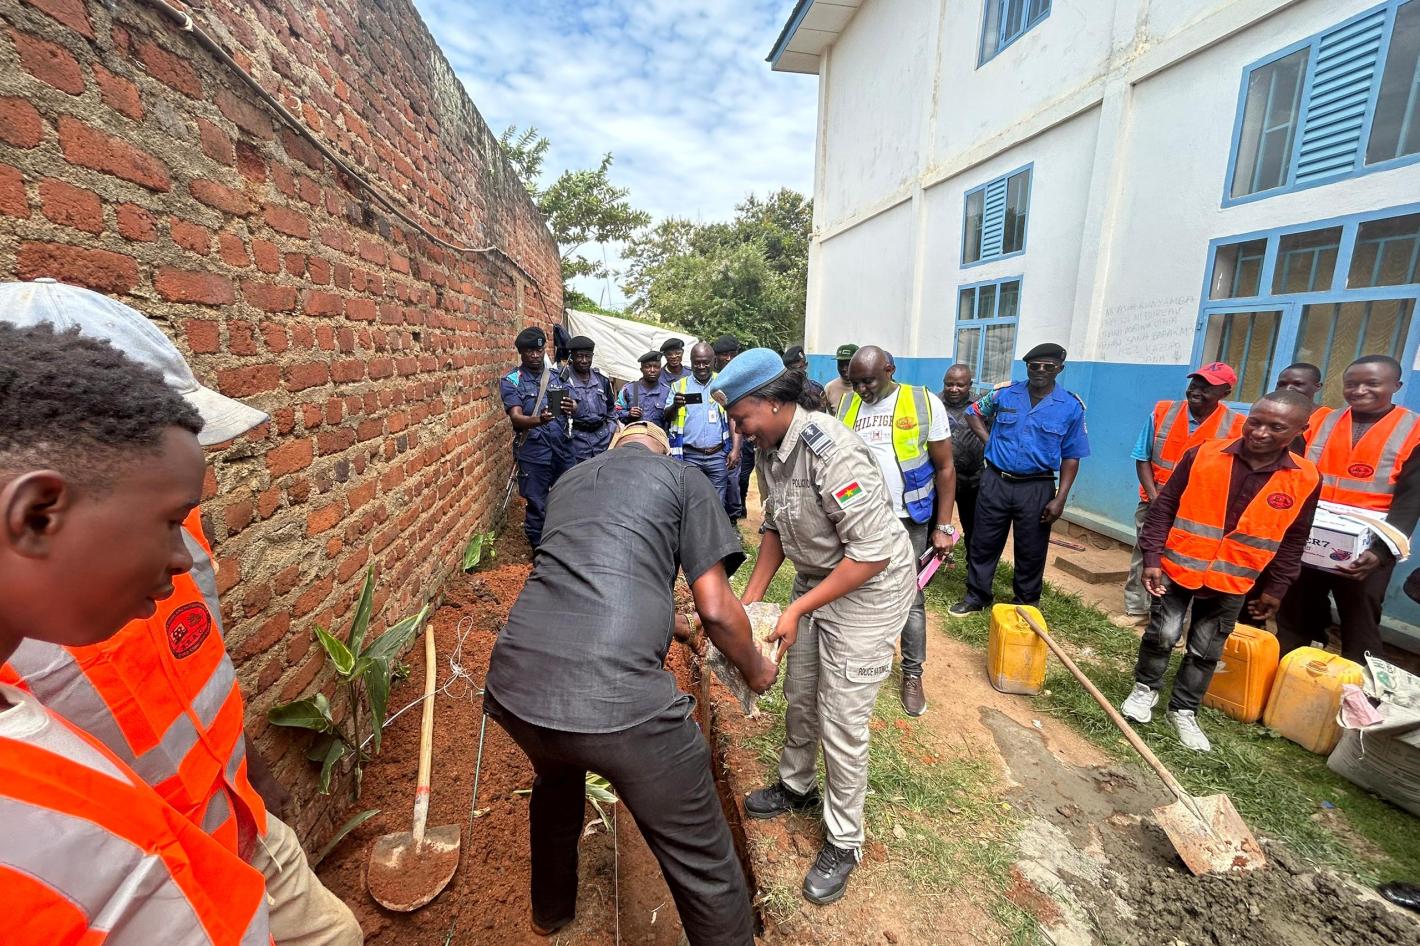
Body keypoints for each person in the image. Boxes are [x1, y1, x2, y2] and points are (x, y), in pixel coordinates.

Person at [0, 280, 362, 944]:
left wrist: (244, 771)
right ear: (39, 514)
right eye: (168, 519)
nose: (179, 555)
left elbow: (200, 661)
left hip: (238, 833)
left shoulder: (144, 532)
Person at [484, 422, 776, 945]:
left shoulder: (571, 479)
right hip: (618, 707)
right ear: (663, 451)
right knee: (704, 865)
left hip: (516, 687)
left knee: (557, 779)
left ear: (612, 446)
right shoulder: (684, 479)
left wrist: (674, 628)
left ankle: (549, 913)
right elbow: (716, 608)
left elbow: (592, 578)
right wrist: (756, 669)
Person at [714, 350, 916, 906]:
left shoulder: (833, 452)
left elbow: (872, 554)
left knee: (842, 714)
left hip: (869, 589)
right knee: (801, 689)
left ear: (775, 403)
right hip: (819, 576)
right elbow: (776, 526)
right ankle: (797, 785)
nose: (738, 429)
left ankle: (845, 840)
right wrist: (750, 603)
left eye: (742, 417)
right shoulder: (768, 450)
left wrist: (798, 610)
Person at [1120, 390, 1320, 752]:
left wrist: (1277, 587)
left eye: (1276, 427)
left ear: (1300, 431)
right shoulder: (1204, 454)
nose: (1259, 432)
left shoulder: (1305, 478)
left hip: (1234, 578)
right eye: (1255, 421)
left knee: (1205, 648)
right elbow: (1164, 508)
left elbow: (1295, 537)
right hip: (1179, 567)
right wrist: (1152, 558)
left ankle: (1184, 709)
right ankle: (1145, 688)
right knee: (1162, 634)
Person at [837, 346, 959, 716]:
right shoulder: (847, 406)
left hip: (909, 519)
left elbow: (946, 468)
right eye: (855, 382)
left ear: (890, 369)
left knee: (909, 597)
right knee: (854, 589)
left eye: (868, 381)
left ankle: (911, 673)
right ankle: (861, 662)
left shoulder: (923, 403)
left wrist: (943, 526)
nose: (861, 390)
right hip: (859, 518)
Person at [1276, 355, 1420, 663]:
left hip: (1370, 544)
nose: (1359, 390)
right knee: (1296, 605)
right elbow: (1292, 472)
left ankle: (1362, 686)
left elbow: (1411, 499)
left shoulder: (1413, 430)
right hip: (1312, 534)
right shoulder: (1319, 421)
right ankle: (1289, 667)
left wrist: (1382, 553)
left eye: (1372, 383)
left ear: (1396, 385)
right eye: (1351, 384)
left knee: (1360, 615)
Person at [950, 343, 1089, 616]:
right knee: (983, 541)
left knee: (1032, 546)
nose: (1040, 371)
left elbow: (1072, 455)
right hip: (996, 480)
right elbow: (974, 413)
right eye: (1034, 366)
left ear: (1059, 369)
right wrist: (990, 443)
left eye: (1048, 367)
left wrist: (1060, 498)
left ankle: (1025, 601)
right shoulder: (1005, 394)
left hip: (1037, 486)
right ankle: (977, 595)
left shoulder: (1070, 407)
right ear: (1027, 367)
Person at [1123, 363, 1245, 618]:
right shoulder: (1163, 411)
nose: (1197, 390)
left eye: (1207, 386)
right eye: (1195, 383)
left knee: (1185, 563)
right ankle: (1136, 611)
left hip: (1199, 513)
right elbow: (1141, 456)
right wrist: (1156, 499)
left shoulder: (1236, 426)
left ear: (1225, 391)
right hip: (1154, 502)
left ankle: (1170, 618)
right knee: (1145, 553)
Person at [501, 327, 576, 548]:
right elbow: (516, 418)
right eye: (529, 351)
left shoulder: (557, 376)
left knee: (568, 495)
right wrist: (539, 421)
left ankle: (563, 542)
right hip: (534, 451)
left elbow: (572, 406)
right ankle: (539, 548)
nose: (535, 355)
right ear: (521, 353)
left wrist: (573, 406)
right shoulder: (512, 380)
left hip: (562, 447)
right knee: (537, 503)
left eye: (539, 350)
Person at [666, 342, 741, 509]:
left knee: (717, 503)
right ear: (691, 362)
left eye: (705, 362)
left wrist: (736, 449)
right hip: (689, 456)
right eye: (697, 362)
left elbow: (734, 417)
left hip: (718, 456)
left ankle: (714, 535)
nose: (701, 366)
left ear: (713, 361)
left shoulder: (724, 383)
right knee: (691, 501)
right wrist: (674, 406)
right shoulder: (679, 386)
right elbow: (667, 416)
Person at [940, 364, 985, 541]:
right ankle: (928, 568)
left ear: (970, 384)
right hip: (940, 480)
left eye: (960, 385)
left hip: (973, 480)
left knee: (974, 530)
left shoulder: (981, 406)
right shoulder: (933, 403)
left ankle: (973, 566)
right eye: (949, 384)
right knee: (933, 528)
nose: (954, 389)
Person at [564, 335, 616, 464]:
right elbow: (554, 415)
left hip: (602, 441)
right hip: (575, 443)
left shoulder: (601, 379)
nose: (584, 360)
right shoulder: (561, 379)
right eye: (579, 356)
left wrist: (611, 429)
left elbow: (611, 408)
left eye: (588, 356)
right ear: (572, 357)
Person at [617, 350, 672, 429]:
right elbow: (615, 411)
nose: (652, 370)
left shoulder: (667, 391)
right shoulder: (630, 389)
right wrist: (628, 414)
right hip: (634, 436)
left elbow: (671, 418)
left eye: (656, 367)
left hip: (657, 438)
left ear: (660, 369)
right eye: (648, 367)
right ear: (641, 369)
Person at [822, 343, 858, 411]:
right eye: (841, 364)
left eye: (848, 364)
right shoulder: (829, 388)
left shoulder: (866, 387)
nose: (844, 369)